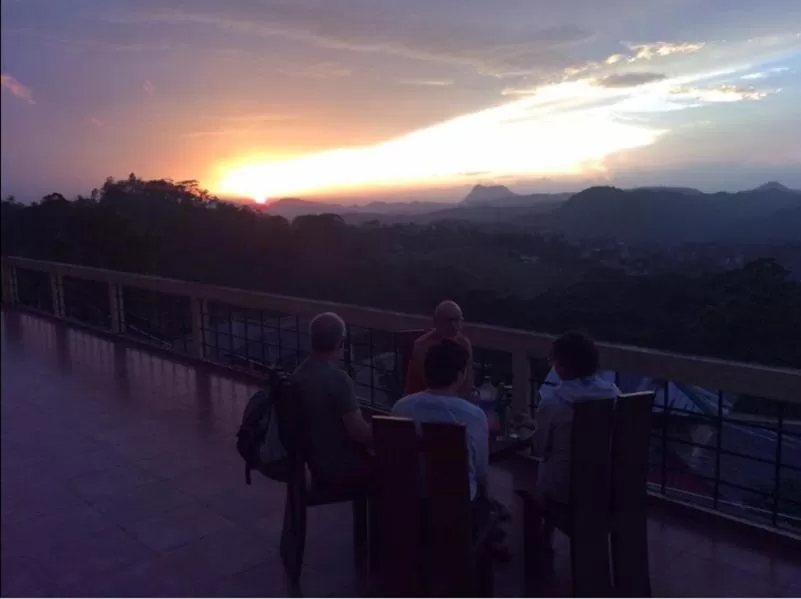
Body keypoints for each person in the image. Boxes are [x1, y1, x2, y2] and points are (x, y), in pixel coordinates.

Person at [393, 339, 511, 560]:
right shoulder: (473, 415)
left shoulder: (401, 407)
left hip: (409, 503)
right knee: (489, 503)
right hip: (457, 509)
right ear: (460, 375)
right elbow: (481, 471)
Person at [531, 331, 621, 504]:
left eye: (553, 360)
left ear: (562, 366)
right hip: (605, 487)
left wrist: (530, 430)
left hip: (564, 491)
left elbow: (539, 450)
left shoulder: (553, 402)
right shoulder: (614, 394)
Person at [291, 312, 373, 489]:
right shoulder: (338, 380)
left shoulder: (297, 376)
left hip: (312, 463)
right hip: (338, 468)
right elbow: (360, 433)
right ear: (340, 343)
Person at [404, 300, 474, 396]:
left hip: (455, 400)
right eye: (448, 321)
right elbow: (432, 386)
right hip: (422, 401)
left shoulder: (464, 343)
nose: (454, 326)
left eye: (457, 320)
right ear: (436, 321)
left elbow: (468, 381)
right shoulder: (422, 345)